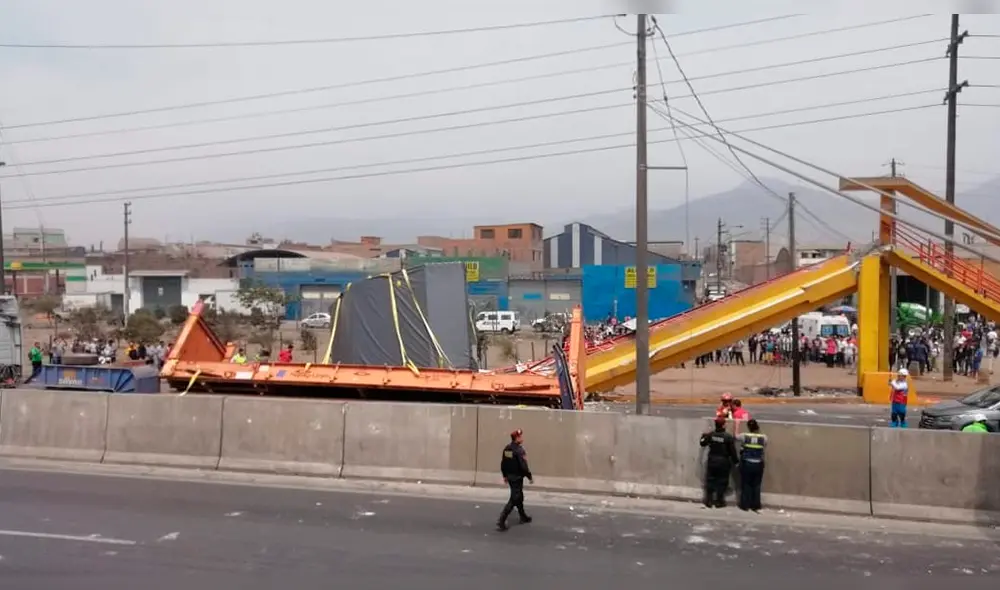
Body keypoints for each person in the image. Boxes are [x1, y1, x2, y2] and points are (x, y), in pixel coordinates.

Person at [497, 428, 533, 531]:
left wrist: (504, 475)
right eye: (520, 436)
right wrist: (529, 476)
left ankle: (523, 516)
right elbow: (523, 466)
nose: (522, 438)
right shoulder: (519, 450)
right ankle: (501, 520)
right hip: (517, 478)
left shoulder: (507, 449)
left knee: (519, 496)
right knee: (514, 499)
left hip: (510, 477)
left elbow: (503, 463)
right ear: (516, 438)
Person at [700, 417, 739, 508]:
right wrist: (736, 462)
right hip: (723, 462)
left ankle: (708, 501)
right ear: (724, 425)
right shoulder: (728, 437)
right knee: (721, 481)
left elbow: (702, 443)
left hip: (712, 460)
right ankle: (719, 501)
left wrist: (703, 436)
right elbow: (732, 452)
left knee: (710, 480)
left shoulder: (711, 435)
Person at [737, 419, 768, 512]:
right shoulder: (764, 437)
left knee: (746, 484)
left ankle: (745, 505)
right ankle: (755, 505)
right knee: (757, 485)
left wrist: (737, 425)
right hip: (758, 463)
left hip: (747, 463)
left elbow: (735, 436)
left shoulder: (744, 436)